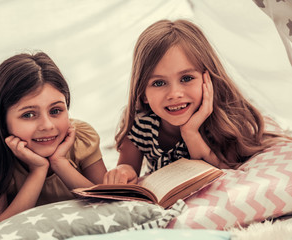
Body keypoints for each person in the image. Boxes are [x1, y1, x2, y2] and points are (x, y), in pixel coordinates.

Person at [103, 19, 289, 185]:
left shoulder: (223, 122)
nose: (174, 94)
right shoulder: (141, 124)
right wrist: (123, 171)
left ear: (207, 79)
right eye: (158, 83)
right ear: (143, 92)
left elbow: (222, 175)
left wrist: (190, 132)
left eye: (186, 78)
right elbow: (128, 167)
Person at [0, 52, 107, 228]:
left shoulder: (81, 139)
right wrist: (38, 170)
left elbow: (109, 203)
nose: (47, 125)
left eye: (55, 111)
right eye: (28, 115)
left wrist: (60, 164)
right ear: (2, 120)